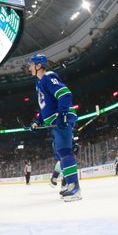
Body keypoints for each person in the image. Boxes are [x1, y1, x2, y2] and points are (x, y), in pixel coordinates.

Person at [29, 54, 82, 201]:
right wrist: (37, 121)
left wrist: (63, 114)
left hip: (61, 119)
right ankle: (67, 185)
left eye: (31, 65)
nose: (29, 68)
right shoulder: (39, 83)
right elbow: (45, 108)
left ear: (39, 65)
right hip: (55, 121)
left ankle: (75, 187)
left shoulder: (48, 77)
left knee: (64, 151)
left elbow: (65, 94)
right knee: (60, 153)